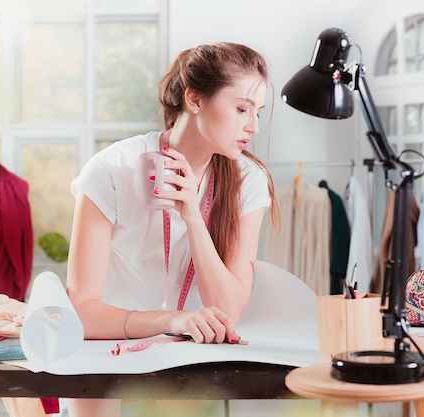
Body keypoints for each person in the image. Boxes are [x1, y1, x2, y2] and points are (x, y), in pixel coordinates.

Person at [65, 42, 278, 416]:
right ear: (195, 99)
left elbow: (228, 311)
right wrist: (171, 320)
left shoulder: (248, 178)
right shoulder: (112, 168)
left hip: (189, 353)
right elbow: (82, 311)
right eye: (242, 108)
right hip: (104, 347)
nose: (253, 126)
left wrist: (193, 217)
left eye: (257, 112)